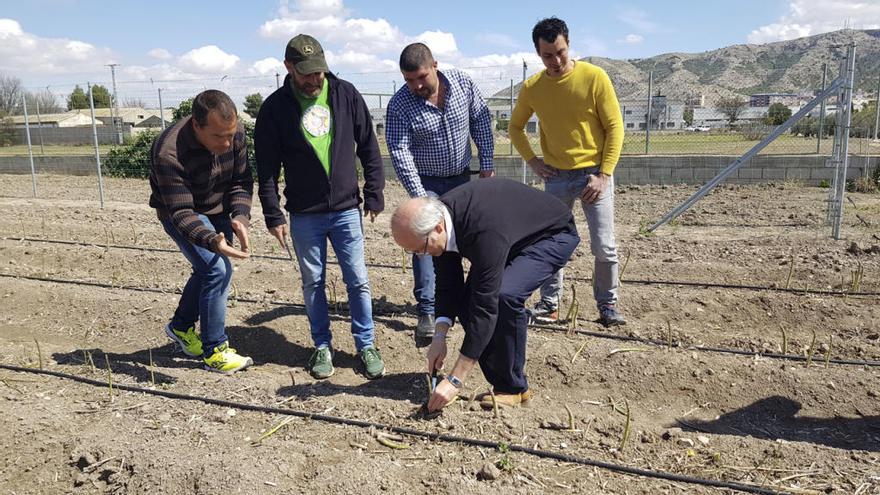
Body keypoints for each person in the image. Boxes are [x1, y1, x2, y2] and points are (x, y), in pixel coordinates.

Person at [255, 34, 386, 380]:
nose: (315, 80)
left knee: (357, 280)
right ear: (289, 68)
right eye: (307, 73)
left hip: (346, 209)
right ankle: (322, 346)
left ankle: (366, 343)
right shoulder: (274, 109)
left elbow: (369, 148)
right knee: (313, 281)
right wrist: (272, 213)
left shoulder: (345, 95)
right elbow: (266, 169)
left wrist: (375, 192)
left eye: (319, 73)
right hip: (304, 213)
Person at [390, 178, 580, 412]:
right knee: (466, 303)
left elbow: (485, 307)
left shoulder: (482, 230)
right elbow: (449, 286)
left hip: (550, 235)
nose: (422, 256)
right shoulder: (443, 222)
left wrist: (455, 379)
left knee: (504, 297)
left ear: (438, 228)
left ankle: (513, 388)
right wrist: (439, 337)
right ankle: (504, 383)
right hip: (513, 235)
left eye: (422, 249)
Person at [509, 17, 626, 327]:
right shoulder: (533, 88)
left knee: (603, 244)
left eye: (560, 51)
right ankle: (550, 305)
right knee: (551, 243)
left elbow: (615, 127)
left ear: (568, 44)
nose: (556, 60)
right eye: (548, 55)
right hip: (556, 178)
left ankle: (608, 304)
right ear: (538, 53)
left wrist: (604, 174)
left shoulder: (594, 77)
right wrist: (533, 161)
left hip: (594, 176)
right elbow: (515, 127)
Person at [385, 42, 495, 348]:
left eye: (421, 77)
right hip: (427, 182)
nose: (417, 85)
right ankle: (428, 311)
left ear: (434, 65)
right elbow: (399, 149)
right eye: (409, 80)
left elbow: (481, 121)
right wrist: (421, 198)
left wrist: (487, 163)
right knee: (424, 241)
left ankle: (470, 301)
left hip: (462, 178)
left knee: (468, 237)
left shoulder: (463, 83)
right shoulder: (400, 104)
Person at [149, 89, 253, 374]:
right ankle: (215, 351)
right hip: (180, 211)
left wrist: (241, 216)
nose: (228, 142)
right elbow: (181, 213)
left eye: (231, 134)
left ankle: (180, 327)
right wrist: (212, 240)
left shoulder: (233, 131)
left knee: (207, 269)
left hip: (217, 206)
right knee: (217, 269)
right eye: (219, 136)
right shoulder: (169, 152)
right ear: (197, 125)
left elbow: (242, 179)